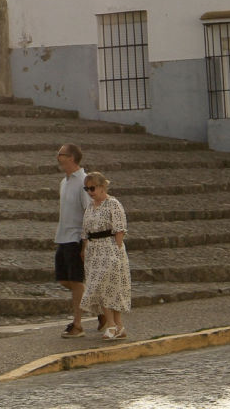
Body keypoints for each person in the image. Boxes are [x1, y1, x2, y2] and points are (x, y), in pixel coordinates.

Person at [81, 171, 132, 340]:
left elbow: (119, 229)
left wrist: (116, 252)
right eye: (86, 188)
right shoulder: (90, 206)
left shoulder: (113, 204)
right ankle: (119, 326)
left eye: (93, 188)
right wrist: (85, 249)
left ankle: (111, 325)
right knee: (106, 288)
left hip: (109, 249)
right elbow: (86, 231)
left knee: (107, 287)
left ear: (102, 187)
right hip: (94, 252)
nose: (90, 192)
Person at [53, 143, 95, 337]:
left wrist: (86, 244)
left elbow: (89, 212)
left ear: (71, 158)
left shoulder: (84, 181)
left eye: (61, 154)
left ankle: (77, 325)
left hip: (77, 237)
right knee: (63, 279)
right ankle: (97, 308)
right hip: (63, 236)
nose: (57, 156)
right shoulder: (65, 181)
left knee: (76, 281)